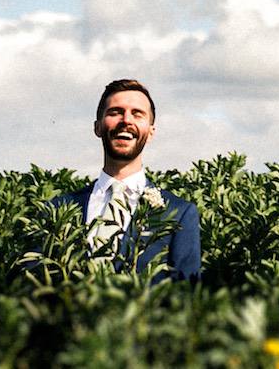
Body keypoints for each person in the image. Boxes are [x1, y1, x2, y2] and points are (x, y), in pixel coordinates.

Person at [47, 77, 201, 281]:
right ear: (98, 127)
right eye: (115, 112)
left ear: (151, 131)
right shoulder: (58, 209)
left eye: (137, 114)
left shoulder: (178, 213)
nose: (126, 120)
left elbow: (186, 294)